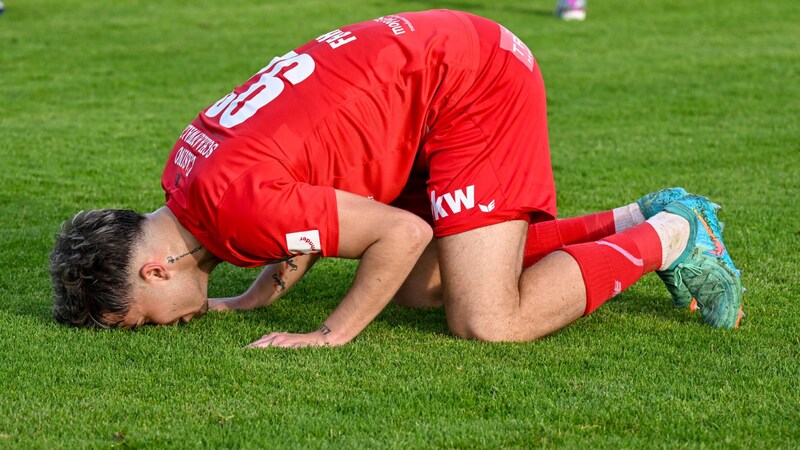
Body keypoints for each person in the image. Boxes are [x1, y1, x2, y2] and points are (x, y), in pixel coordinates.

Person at [49, 10, 744, 348]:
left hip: (472, 81)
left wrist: (330, 334)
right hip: (424, 78)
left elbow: (401, 231)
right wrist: (259, 295)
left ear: (154, 275)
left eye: (135, 323)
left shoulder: (230, 212)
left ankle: (673, 235)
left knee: (487, 320)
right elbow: (297, 193)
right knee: (420, 286)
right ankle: (632, 219)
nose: (153, 329)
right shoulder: (187, 173)